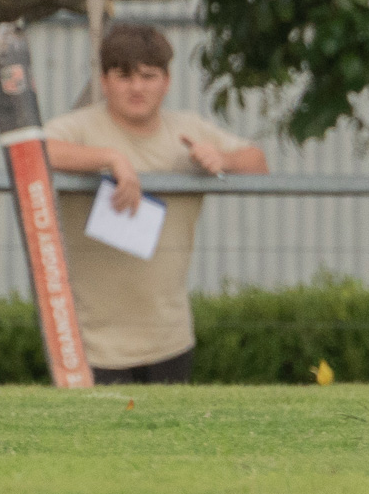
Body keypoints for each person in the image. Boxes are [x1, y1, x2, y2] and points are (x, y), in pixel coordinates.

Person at [44, 23, 268, 384]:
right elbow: (34, 152)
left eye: (148, 76)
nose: (137, 88)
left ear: (167, 81)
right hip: (92, 343)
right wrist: (111, 158)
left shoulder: (188, 129)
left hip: (170, 339)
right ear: (104, 81)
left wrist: (222, 160)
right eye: (124, 76)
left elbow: (258, 163)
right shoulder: (80, 127)